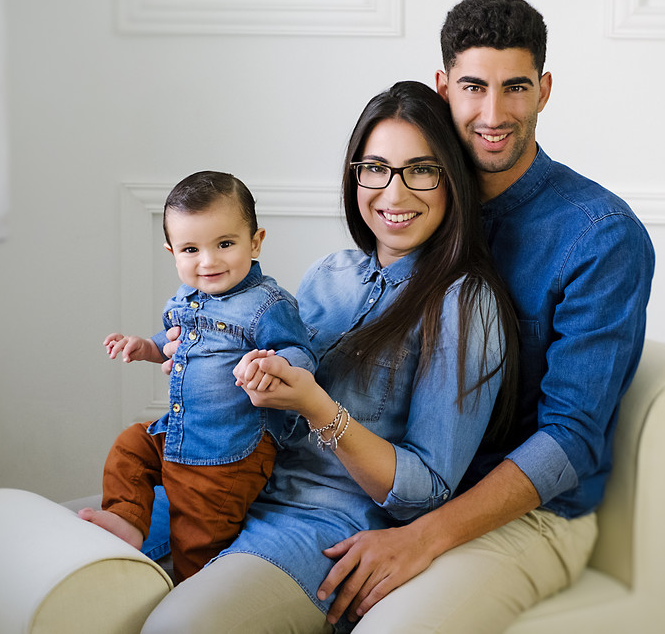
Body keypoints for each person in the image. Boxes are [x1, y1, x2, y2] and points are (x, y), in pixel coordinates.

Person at [310, 0, 656, 632]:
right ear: (443, 88)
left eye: (516, 87)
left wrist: (427, 537)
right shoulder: (417, 200)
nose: (493, 114)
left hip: (529, 515)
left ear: (544, 90)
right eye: (473, 86)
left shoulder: (599, 236)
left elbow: (570, 440)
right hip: (401, 487)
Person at [140, 81, 520, 633]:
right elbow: (265, 372)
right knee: (86, 563)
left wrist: (319, 407)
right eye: (376, 168)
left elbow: (426, 488)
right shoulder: (329, 272)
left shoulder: (466, 303)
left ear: (450, 179)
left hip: (320, 523)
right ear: (355, 175)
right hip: (232, 477)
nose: (394, 192)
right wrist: (204, 360)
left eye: (420, 169)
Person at [78, 170, 316, 582]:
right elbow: (172, 342)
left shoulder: (266, 303)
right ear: (172, 252)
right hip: (179, 431)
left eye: (225, 244)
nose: (208, 261)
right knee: (131, 447)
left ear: (255, 242)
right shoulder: (187, 298)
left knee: (197, 534)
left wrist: (275, 366)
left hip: (228, 451)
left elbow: (300, 351)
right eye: (191, 249)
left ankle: (194, 590)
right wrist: (144, 347)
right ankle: (128, 521)